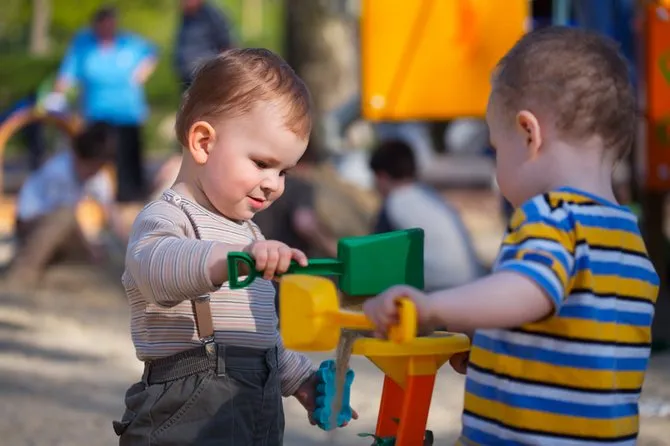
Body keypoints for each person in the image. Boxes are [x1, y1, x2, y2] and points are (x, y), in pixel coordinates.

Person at [363, 27, 659, 445]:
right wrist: (492, 342)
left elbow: (528, 289)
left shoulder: (553, 215)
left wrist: (432, 306)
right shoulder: (627, 236)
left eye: (496, 148)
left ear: (527, 134)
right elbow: (567, 333)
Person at [114, 48, 356, 445]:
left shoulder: (250, 235)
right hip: (186, 409)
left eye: (284, 171)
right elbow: (157, 270)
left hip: (253, 408)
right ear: (204, 142)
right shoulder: (167, 217)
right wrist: (230, 260)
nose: (274, 183)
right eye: (262, 164)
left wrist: (299, 379)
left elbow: (259, 336)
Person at [50, 6, 158, 203]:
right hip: (98, 111)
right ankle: (103, 199)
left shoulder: (128, 42)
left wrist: (142, 72)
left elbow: (152, 52)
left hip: (127, 110)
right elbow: (67, 74)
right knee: (100, 156)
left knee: (129, 158)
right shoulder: (83, 45)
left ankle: (131, 198)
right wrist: (57, 96)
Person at [5, 122, 119, 286]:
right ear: (78, 157)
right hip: (32, 224)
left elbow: (111, 212)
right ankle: (21, 275)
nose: (93, 173)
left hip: (63, 230)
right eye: (90, 167)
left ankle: (55, 273)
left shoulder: (98, 176)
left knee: (98, 254)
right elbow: (65, 217)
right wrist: (89, 246)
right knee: (64, 217)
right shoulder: (58, 171)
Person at [369, 139, 485, 291]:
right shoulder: (430, 195)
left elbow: (373, 259)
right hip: (473, 282)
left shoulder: (393, 204)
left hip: (439, 289)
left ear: (381, 177)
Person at [175, 0, 234, 90]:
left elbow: (226, 44)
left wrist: (227, 72)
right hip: (187, 78)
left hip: (206, 75)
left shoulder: (211, 15)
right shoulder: (187, 16)